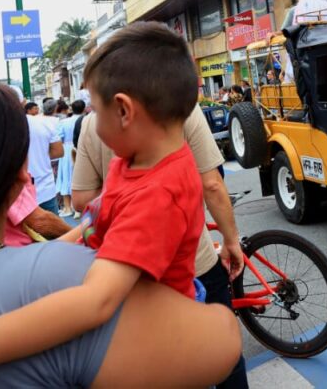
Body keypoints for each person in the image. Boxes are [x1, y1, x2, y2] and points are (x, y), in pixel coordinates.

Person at [0, 23, 238, 386]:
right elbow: (95, 227)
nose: (90, 118)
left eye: (93, 108)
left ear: (124, 111)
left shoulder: (156, 195)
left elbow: (95, 302)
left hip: (151, 340)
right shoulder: (137, 160)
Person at [72, 102, 248, 389]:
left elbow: (80, 200)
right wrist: (231, 240)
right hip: (197, 263)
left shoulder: (96, 123)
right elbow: (213, 184)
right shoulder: (182, 109)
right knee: (226, 363)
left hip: (131, 279)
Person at [26, 98, 63, 214]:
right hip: (44, 187)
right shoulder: (45, 123)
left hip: (16, 193)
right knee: (54, 230)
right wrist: (41, 155)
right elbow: (58, 151)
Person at [54, 100, 84, 216]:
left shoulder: (64, 122)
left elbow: (59, 137)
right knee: (78, 176)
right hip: (81, 148)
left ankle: (68, 207)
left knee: (66, 176)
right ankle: (79, 207)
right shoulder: (85, 119)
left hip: (67, 149)